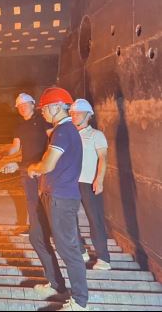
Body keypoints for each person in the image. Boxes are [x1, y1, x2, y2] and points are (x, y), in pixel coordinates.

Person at [28, 87, 89, 311]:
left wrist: (34, 168)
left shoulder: (64, 131)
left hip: (62, 199)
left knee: (68, 249)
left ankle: (80, 302)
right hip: (51, 195)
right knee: (37, 237)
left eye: (44, 108)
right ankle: (56, 285)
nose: (42, 112)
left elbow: (48, 164)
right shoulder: (59, 131)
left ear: (56, 107)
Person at [0, 93, 50, 237]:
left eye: (25, 104)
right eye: (19, 106)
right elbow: (15, 147)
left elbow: (53, 139)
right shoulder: (19, 126)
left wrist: (48, 161)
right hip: (26, 167)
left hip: (42, 166)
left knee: (45, 199)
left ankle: (50, 229)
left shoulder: (43, 121)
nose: (22, 108)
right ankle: (35, 228)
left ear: (33, 104)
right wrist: (4, 153)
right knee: (31, 199)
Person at [70, 99, 111, 270]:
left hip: (89, 182)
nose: (74, 116)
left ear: (88, 115)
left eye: (78, 113)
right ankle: (81, 251)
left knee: (95, 220)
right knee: (68, 218)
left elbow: (103, 158)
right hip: (70, 183)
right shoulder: (69, 134)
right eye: (72, 113)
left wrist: (99, 180)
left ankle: (104, 259)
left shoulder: (96, 135)